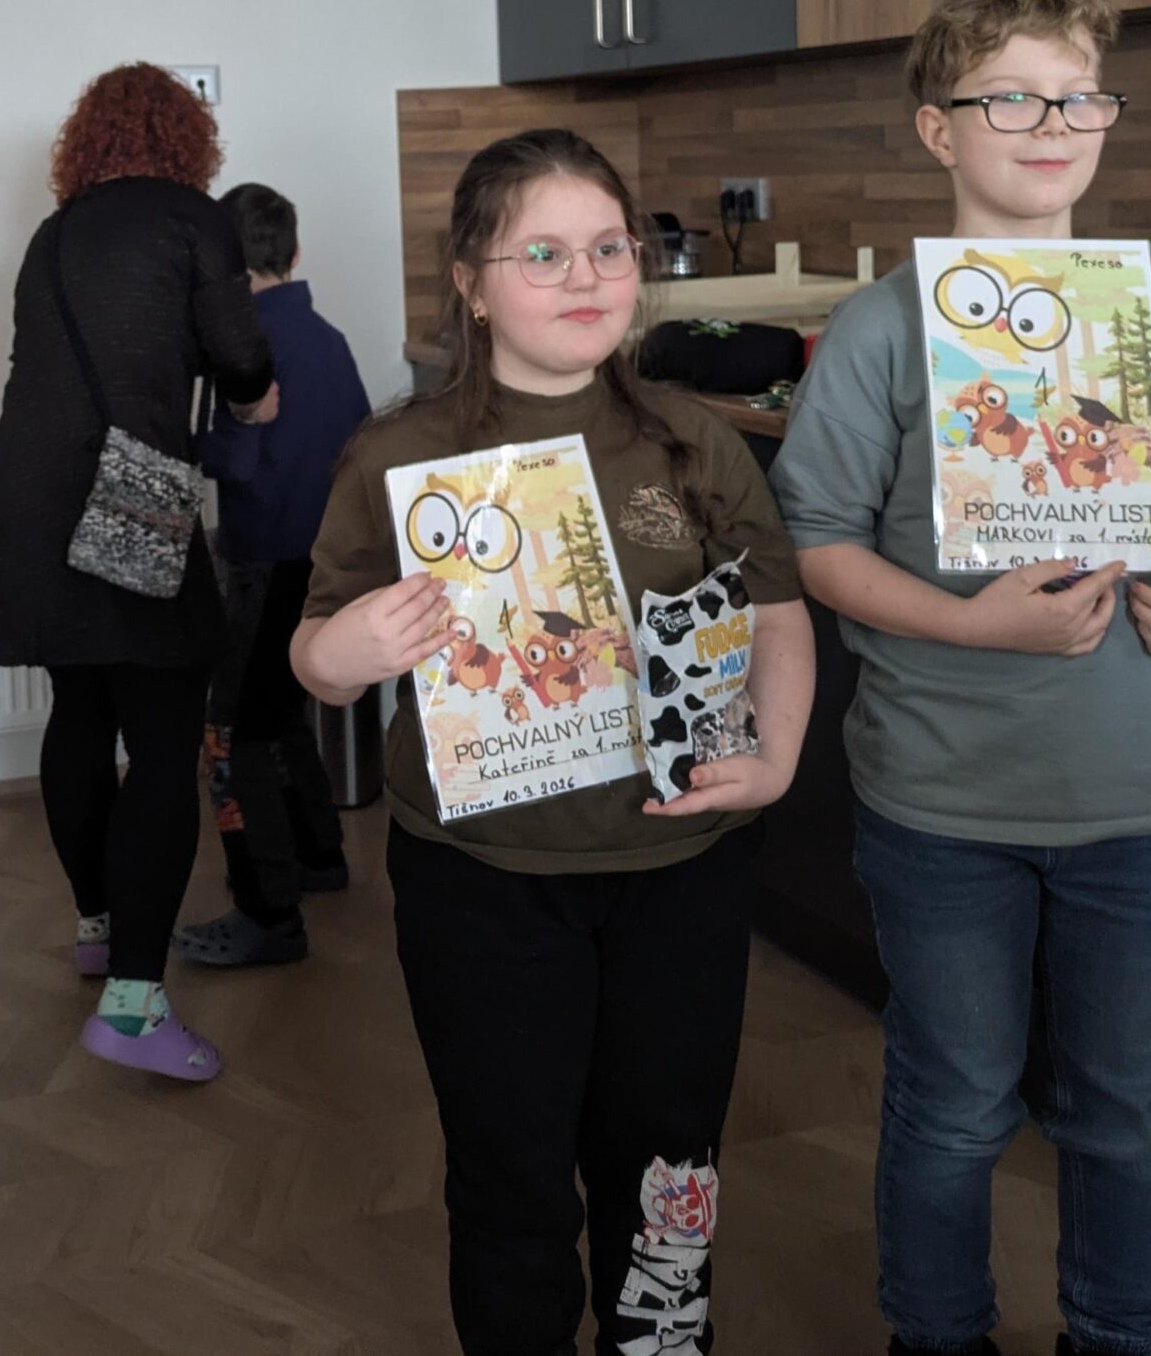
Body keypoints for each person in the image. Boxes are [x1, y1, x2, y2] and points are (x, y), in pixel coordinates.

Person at [292, 127, 815, 1356]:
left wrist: (779, 754)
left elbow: (778, 611)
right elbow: (316, 647)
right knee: (509, 1170)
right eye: (542, 253)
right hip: (481, 876)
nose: (584, 277)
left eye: (607, 248)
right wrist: (342, 652)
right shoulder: (397, 452)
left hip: (680, 862)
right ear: (471, 282)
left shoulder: (691, 437)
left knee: (669, 1163)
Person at [769, 0, 1151, 1356]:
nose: (1054, 125)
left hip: (1140, 790)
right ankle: (937, 1335)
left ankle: (1119, 1335)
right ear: (939, 128)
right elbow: (817, 542)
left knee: (1130, 1112)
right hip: (945, 797)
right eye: (1013, 98)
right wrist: (974, 622)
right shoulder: (879, 329)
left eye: (1080, 97)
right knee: (956, 1104)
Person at [0, 62, 276, 1083]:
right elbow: (239, 356)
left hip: (23, 490)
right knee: (160, 739)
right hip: (126, 488)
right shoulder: (194, 219)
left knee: (79, 709)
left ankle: (102, 928)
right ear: (186, 137)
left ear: (87, 141)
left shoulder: (52, 233)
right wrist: (260, 401)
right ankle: (136, 1008)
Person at [172, 182, 370, 969]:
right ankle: (319, 855)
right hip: (324, 562)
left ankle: (268, 910)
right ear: (294, 252)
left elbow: (239, 458)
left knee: (231, 733)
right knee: (282, 712)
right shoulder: (329, 337)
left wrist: (186, 440)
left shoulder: (244, 347)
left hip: (262, 557)